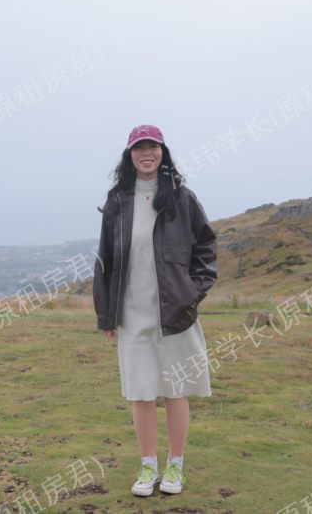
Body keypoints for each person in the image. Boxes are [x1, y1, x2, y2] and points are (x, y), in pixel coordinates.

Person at [92, 123, 218, 497]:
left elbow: (206, 248)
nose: (146, 153)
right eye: (139, 147)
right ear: (129, 155)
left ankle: (175, 465)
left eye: (153, 146)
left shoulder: (181, 198)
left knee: (176, 389)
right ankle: (148, 466)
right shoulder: (118, 201)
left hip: (175, 313)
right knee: (141, 391)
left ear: (163, 152)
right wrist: (106, 314)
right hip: (132, 313)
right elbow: (105, 260)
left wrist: (191, 294)